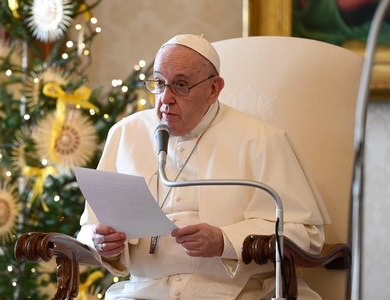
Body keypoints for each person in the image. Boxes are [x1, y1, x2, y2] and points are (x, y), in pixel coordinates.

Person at [77, 34, 331, 299]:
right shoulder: (126, 133)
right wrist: (103, 243)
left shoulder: (261, 139)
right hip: (146, 291)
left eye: (181, 85)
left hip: (241, 292)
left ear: (213, 89)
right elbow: (89, 227)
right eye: (159, 83)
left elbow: (306, 236)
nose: (165, 98)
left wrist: (226, 241)